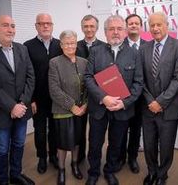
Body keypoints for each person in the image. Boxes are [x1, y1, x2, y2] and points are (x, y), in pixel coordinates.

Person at [84, 15, 143, 185]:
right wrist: (104, 98)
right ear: (105, 32)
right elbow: (88, 77)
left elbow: (138, 83)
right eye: (111, 29)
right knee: (95, 144)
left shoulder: (134, 53)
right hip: (99, 108)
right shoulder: (95, 51)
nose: (115, 32)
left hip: (122, 109)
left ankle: (109, 170)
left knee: (116, 144)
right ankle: (93, 173)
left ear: (125, 31)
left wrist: (124, 103)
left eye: (119, 29)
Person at [0, 15, 35, 185]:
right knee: (1, 149)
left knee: (19, 144)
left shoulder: (22, 49)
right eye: (5, 25)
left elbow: (30, 78)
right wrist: (12, 106)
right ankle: (3, 180)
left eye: (12, 26)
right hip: (0, 112)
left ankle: (16, 174)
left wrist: (21, 104)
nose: (10, 29)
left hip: (22, 109)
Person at [140, 12, 178, 185]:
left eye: (159, 24)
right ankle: (152, 171)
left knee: (166, 146)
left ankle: (162, 175)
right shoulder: (144, 47)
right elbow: (141, 79)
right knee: (149, 144)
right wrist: (150, 101)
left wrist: (160, 102)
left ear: (167, 25)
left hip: (169, 108)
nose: (155, 28)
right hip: (147, 107)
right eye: (152, 25)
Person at [24, 13, 62, 174]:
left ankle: (53, 155)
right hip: (37, 100)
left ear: (52, 25)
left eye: (48, 23)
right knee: (39, 131)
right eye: (41, 23)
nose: (45, 26)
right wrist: (30, 99)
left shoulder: (60, 45)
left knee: (54, 130)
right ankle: (42, 157)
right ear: (36, 26)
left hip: (56, 99)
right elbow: (25, 74)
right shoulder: (27, 46)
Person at [48, 30, 88, 185]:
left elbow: (89, 86)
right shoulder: (54, 62)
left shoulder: (84, 62)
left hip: (81, 110)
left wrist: (85, 104)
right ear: (61, 45)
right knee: (63, 143)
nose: (70, 46)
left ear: (76, 43)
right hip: (63, 110)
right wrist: (72, 106)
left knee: (77, 140)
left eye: (73, 43)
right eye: (67, 43)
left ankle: (75, 165)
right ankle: (61, 169)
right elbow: (54, 89)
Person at [119, 13, 146, 174]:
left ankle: (132, 158)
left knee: (136, 130)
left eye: (136, 23)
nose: (134, 26)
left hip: (140, 98)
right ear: (126, 27)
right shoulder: (120, 45)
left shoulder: (148, 46)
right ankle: (120, 157)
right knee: (121, 129)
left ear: (141, 26)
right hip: (122, 98)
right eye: (131, 23)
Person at [75, 14, 105, 163]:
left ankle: (93, 157)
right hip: (78, 95)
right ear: (82, 28)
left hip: (97, 95)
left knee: (95, 131)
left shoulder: (105, 47)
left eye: (92, 26)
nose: (89, 29)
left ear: (97, 28)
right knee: (79, 129)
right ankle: (79, 157)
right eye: (86, 26)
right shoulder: (74, 46)